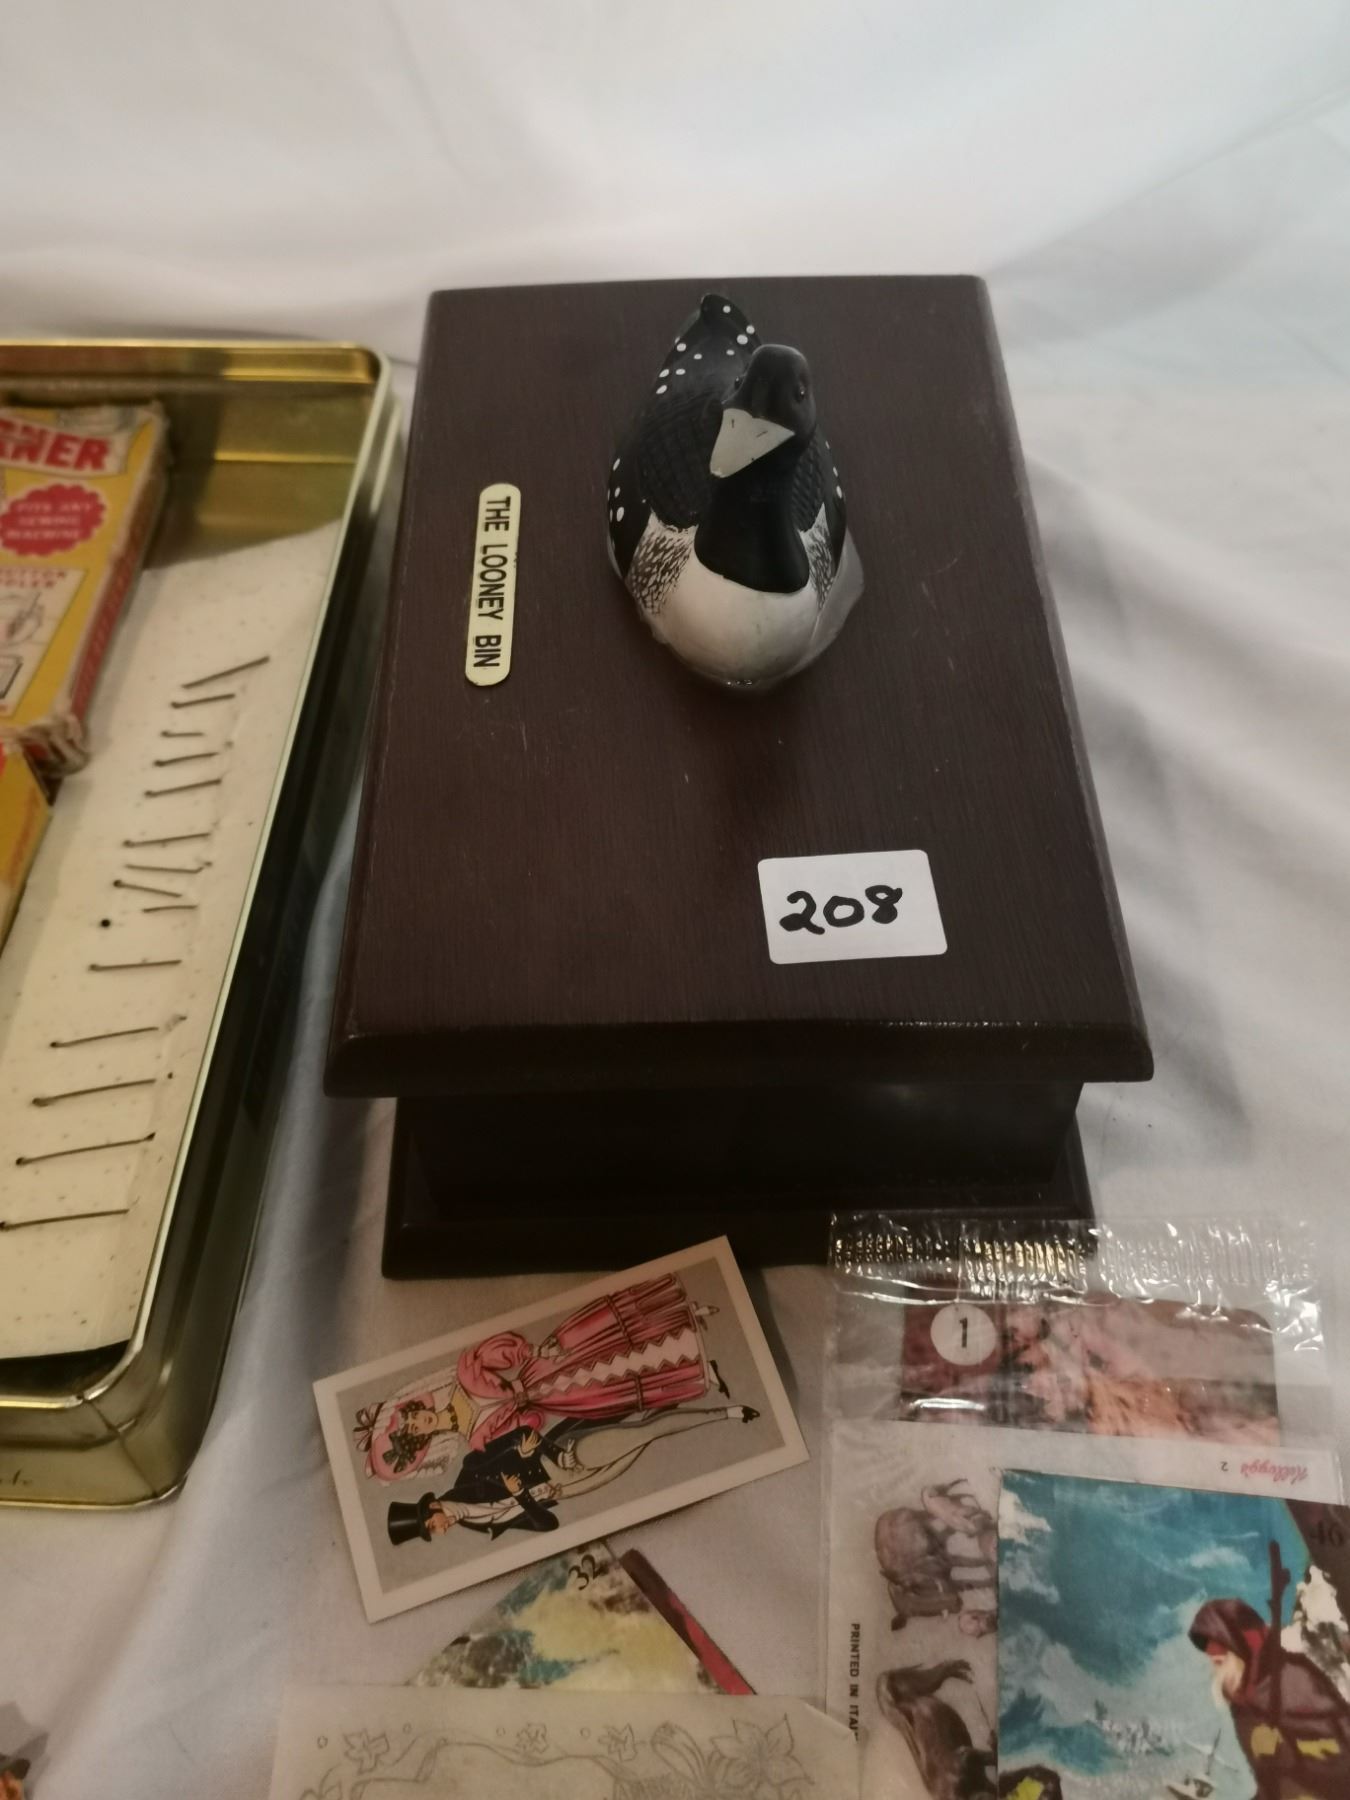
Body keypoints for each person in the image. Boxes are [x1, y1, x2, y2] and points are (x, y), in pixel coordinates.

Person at [357, 1272, 722, 1481]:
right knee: (615, 1386)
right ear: (425, 1440)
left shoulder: (465, 1377)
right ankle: (689, 1366)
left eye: (414, 1416)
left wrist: (534, 1352)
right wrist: (525, 1441)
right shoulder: (478, 1438)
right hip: (555, 1398)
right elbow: (531, 1420)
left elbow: (499, 1352)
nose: (420, 1421)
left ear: (419, 1406)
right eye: (417, 1429)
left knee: (605, 1336)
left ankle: (681, 1314)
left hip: (541, 1367)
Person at [387, 1403, 758, 1545]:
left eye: (432, 1525)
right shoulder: (482, 1527)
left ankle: (727, 1413)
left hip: (561, 1459)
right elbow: (547, 1524)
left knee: (646, 1432)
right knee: (643, 1441)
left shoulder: (470, 1473)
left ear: (432, 1507)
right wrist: (521, 1497)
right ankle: (680, 1394)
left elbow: (522, 1436)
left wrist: (547, 1453)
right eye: (433, 1533)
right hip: (569, 1489)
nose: (441, 1530)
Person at [1189, 1592, 1350, 1797]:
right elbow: (1269, 1781)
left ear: (1240, 1650)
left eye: (1220, 1662)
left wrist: (1285, 1754)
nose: (1217, 1674)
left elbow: (1341, 1760)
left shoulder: (1293, 1681)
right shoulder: (1243, 1704)